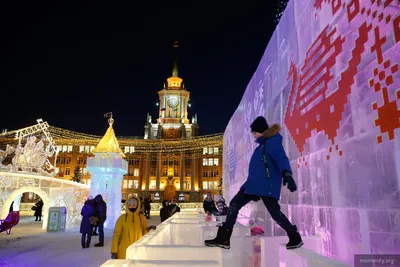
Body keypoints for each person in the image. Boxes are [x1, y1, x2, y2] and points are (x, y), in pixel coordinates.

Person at [205, 116, 303, 250]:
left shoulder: (271, 143)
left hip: (266, 186)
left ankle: (294, 236)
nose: (254, 136)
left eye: (255, 133)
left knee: (275, 213)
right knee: (234, 205)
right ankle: (224, 238)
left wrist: (287, 173)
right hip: (253, 186)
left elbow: (281, 157)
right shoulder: (262, 145)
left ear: (262, 131)